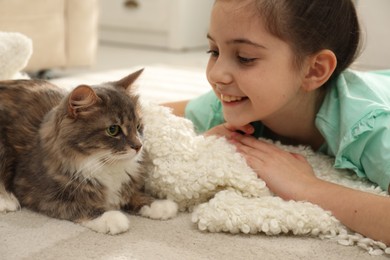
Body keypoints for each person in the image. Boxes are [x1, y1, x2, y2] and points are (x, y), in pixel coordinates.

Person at [164, 0, 390, 245]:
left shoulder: (371, 127)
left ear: (314, 71)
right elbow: (146, 117)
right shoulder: (235, 102)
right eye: (214, 51)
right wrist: (199, 146)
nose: (216, 74)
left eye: (245, 57)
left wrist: (309, 188)